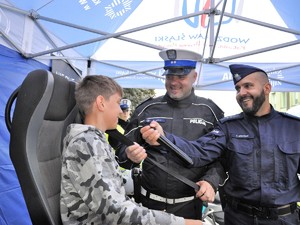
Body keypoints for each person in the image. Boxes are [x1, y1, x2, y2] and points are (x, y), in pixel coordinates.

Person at [140, 64, 300, 225]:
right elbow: (199, 152)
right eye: (238, 88)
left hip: (284, 220)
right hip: (239, 219)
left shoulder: (294, 127)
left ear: (267, 88)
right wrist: (164, 138)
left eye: (248, 86)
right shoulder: (228, 127)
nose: (242, 93)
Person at [60, 75, 202, 225]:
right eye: (117, 103)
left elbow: (116, 200)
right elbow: (116, 211)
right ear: (101, 103)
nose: (120, 111)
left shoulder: (94, 140)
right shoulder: (87, 143)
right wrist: (180, 223)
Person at [115, 48, 226, 220]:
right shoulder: (146, 109)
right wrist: (129, 155)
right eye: (169, 76)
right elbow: (122, 152)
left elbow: (223, 158)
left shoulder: (210, 112)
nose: (173, 82)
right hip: (149, 207)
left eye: (181, 76)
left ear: (194, 77)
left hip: (190, 207)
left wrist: (211, 181)